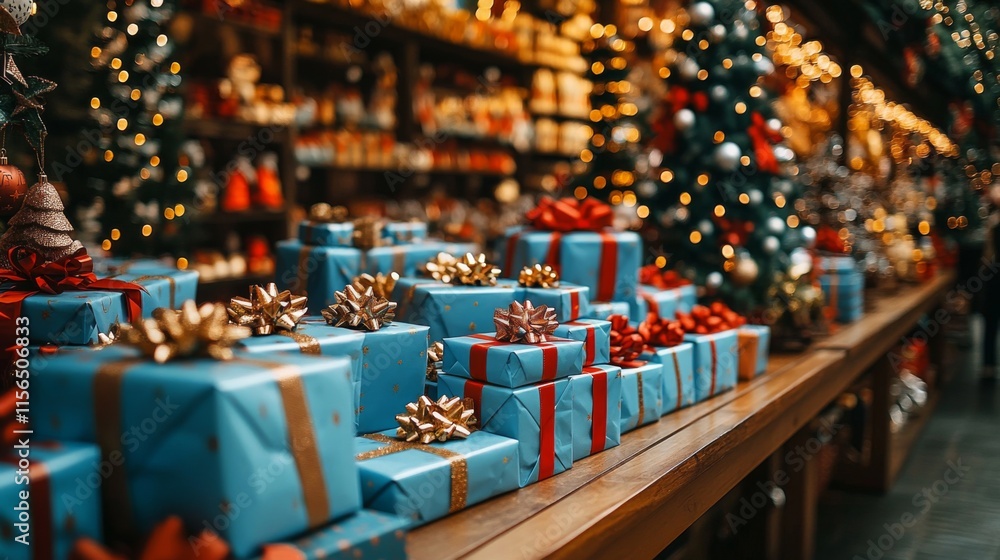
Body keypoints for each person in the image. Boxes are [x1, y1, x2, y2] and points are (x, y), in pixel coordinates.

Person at [981, 185, 1000, 381]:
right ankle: (988, 365)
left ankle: (988, 365)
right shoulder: (993, 223)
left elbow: (987, 254)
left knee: (991, 323)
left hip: (993, 277)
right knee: (991, 322)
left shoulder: (993, 223)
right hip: (994, 278)